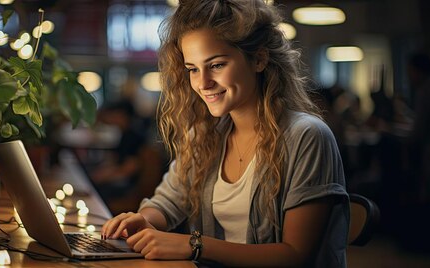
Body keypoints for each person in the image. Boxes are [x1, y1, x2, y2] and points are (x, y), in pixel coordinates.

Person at [101, 1, 349, 267]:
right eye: (193, 69)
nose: (203, 83)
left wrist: (193, 245)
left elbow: (295, 255)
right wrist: (145, 219)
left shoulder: (307, 136)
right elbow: (168, 201)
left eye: (217, 65)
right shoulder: (206, 135)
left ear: (259, 59)